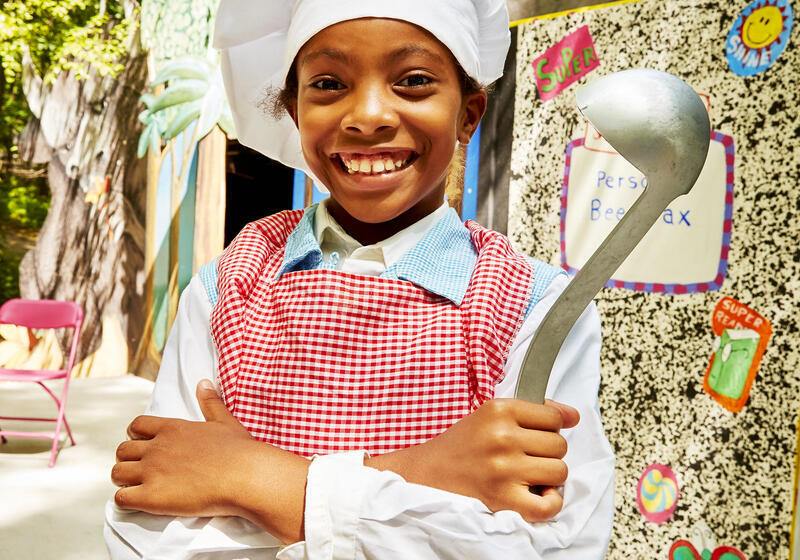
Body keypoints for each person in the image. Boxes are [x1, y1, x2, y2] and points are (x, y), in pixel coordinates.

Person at [104, 1, 615, 558]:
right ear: (295, 112)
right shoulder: (228, 287)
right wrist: (425, 475)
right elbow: (144, 529)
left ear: (468, 113)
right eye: (328, 83)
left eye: (414, 81)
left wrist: (255, 480)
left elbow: (553, 545)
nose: (368, 115)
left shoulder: (534, 309)